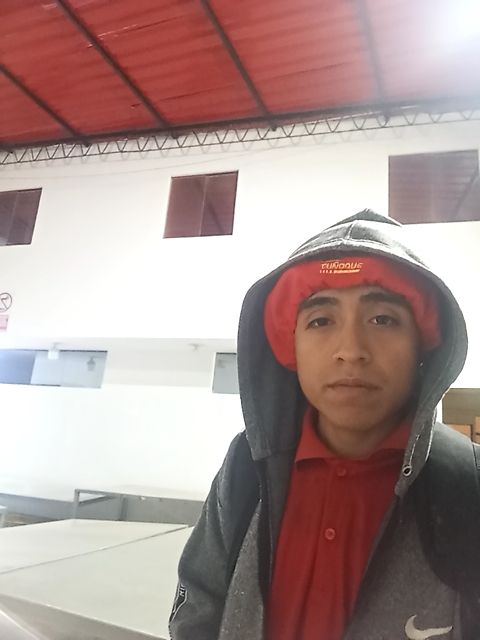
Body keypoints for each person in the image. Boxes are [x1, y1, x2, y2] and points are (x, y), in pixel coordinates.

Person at [169, 210, 472, 640]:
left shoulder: (468, 487)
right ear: (289, 346)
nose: (351, 350)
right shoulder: (246, 467)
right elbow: (197, 611)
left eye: (383, 319)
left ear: (422, 345)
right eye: (321, 321)